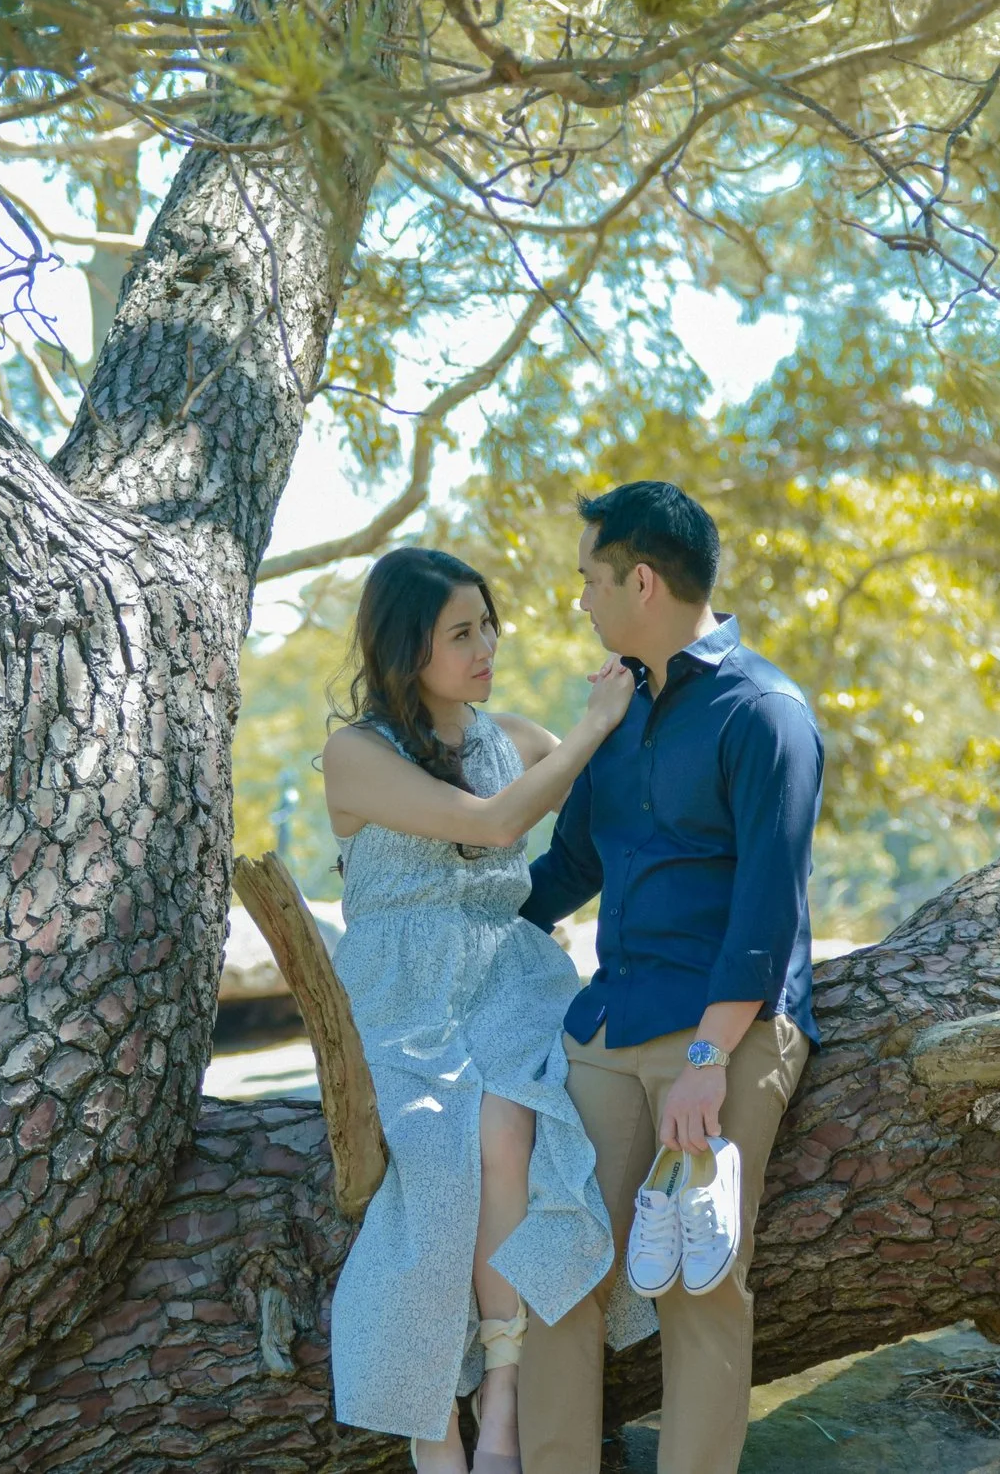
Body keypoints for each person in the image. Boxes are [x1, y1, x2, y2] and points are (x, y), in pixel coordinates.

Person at [515, 481, 825, 1474]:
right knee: (560, 1265)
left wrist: (707, 1058)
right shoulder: (613, 712)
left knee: (701, 1282)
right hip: (606, 1026)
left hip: (724, 1029)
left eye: (589, 580)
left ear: (640, 580)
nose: (582, 599)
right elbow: (564, 871)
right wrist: (444, 918)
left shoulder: (765, 712)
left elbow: (767, 910)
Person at [321, 545, 639, 1474]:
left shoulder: (514, 734)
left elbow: (597, 784)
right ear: (405, 647)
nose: (485, 645)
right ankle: (430, 1420)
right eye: (461, 632)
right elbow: (495, 822)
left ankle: (501, 1395)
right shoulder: (356, 754)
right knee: (438, 1153)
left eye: (488, 624)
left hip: (507, 973)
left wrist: (626, 696)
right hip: (403, 990)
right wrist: (591, 725)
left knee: (513, 1127)